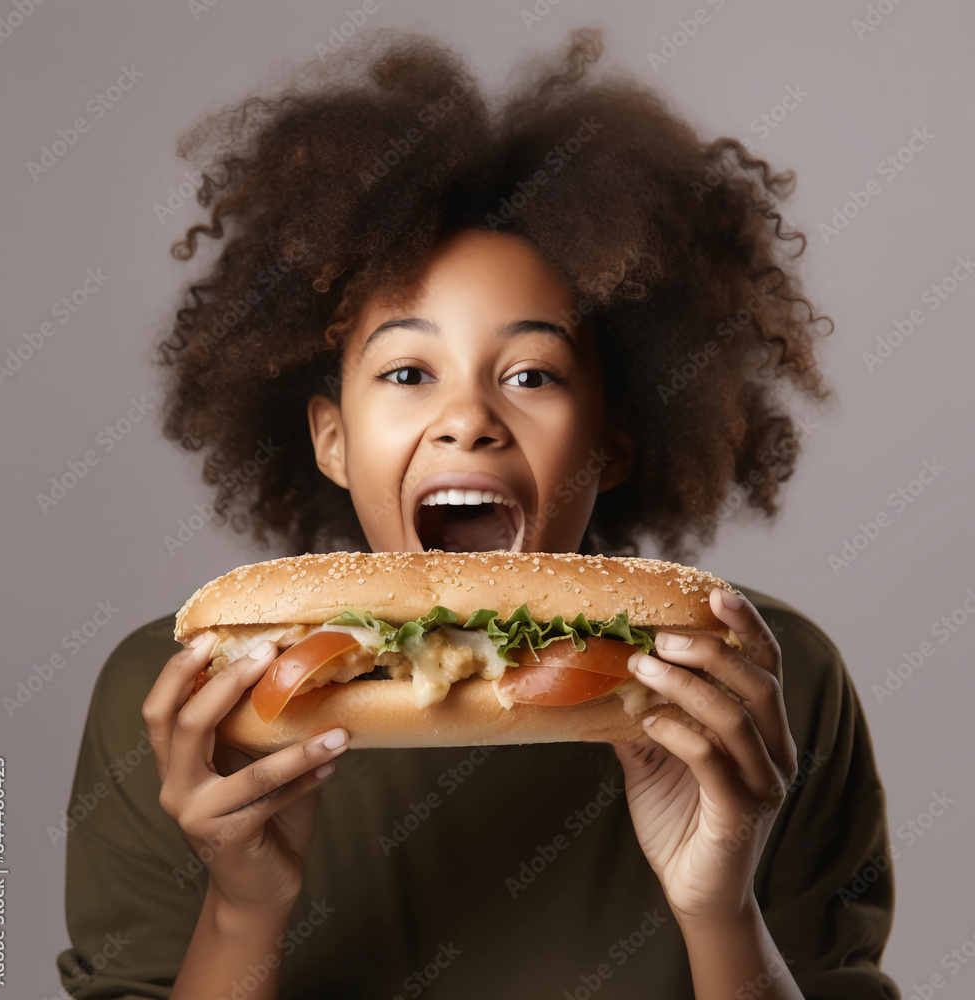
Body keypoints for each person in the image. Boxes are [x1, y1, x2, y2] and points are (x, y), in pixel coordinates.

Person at [56, 28, 901, 1000]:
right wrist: (243, 905)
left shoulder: (764, 683)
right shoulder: (173, 700)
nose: (468, 419)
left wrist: (720, 907)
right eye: (408, 372)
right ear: (331, 439)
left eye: (532, 373)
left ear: (614, 441)